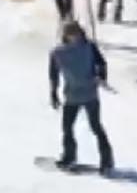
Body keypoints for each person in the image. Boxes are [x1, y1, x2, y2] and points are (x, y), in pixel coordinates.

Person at [49, 21, 114, 174]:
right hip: (71, 95)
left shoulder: (89, 47)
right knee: (67, 127)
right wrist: (53, 92)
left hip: (90, 94)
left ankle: (107, 160)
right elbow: (53, 74)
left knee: (96, 126)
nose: (74, 37)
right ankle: (69, 157)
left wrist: (101, 77)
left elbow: (102, 63)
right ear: (65, 36)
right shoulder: (58, 53)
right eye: (70, 35)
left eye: (76, 34)